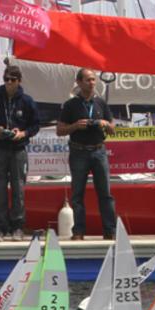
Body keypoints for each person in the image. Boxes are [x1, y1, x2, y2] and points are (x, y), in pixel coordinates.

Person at [0, 65, 40, 242]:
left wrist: (23, 133)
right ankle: (0, 227)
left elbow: (36, 125)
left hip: (18, 150)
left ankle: (18, 227)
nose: (9, 83)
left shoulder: (27, 101)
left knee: (18, 189)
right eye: (6, 79)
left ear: (19, 81)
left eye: (13, 80)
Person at [56, 68, 117, 240]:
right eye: (88, 80)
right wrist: (75, 126)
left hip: (99, 151)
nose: (92, 83)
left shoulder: (101, 103)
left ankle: (110, 230)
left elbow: (113, 130)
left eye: (93, 80)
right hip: (78, 152)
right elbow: (59, 130)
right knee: (77, 195)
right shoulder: (70, 105)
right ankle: (78, 231)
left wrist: (104, 123)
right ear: (79, 82)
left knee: (105, 193)